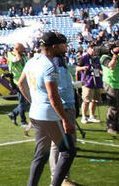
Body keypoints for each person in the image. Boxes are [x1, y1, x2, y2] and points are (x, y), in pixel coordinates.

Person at [17, 32, 76, 186]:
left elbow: (21, 84)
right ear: (54, 46)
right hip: (49, 115)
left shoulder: (31, 61)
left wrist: (33, 101)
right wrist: (65, 119)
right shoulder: (50, 66)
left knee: (41, 155)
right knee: (68, 151)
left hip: (36, 114)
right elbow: (53, 96)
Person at [48, 45, 78, 186]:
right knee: (62, 145)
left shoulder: (59, 60)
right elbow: (58, 88)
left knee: (60, 145)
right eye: (63, 44)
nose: (66, 47)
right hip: (63, 106)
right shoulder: (55, 63)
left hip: (65, 105)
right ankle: (60, 178)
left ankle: (59, 177)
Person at [101, 43, 119, 134]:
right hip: (111, 83)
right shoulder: (104, 57)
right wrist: (114, 56)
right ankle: (110, 127)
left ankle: (116, 126)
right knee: (113, 107)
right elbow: (111, 66)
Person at [75, 44, 102, 124]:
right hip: (87, 82)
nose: (94, 50)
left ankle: (92, 116)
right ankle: (84, 117)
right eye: (92, 48)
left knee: (95, 100)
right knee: (86, 100)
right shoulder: (84, 57)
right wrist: (84, 68)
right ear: (89, 49)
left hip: (97, 81)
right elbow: (77, 68)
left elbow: (99, 69)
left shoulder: (97, 58)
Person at [7, 42, 29, 128]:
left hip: (24, 81)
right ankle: (23, 121)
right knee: (23, 101)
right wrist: (16, 52)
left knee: (25, 101)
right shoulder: (11, 55)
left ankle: (14, 113)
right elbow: (18, 60)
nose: (24, 50)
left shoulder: (22, 55)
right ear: (17, 49)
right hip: (17, 82)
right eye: (22, 49)